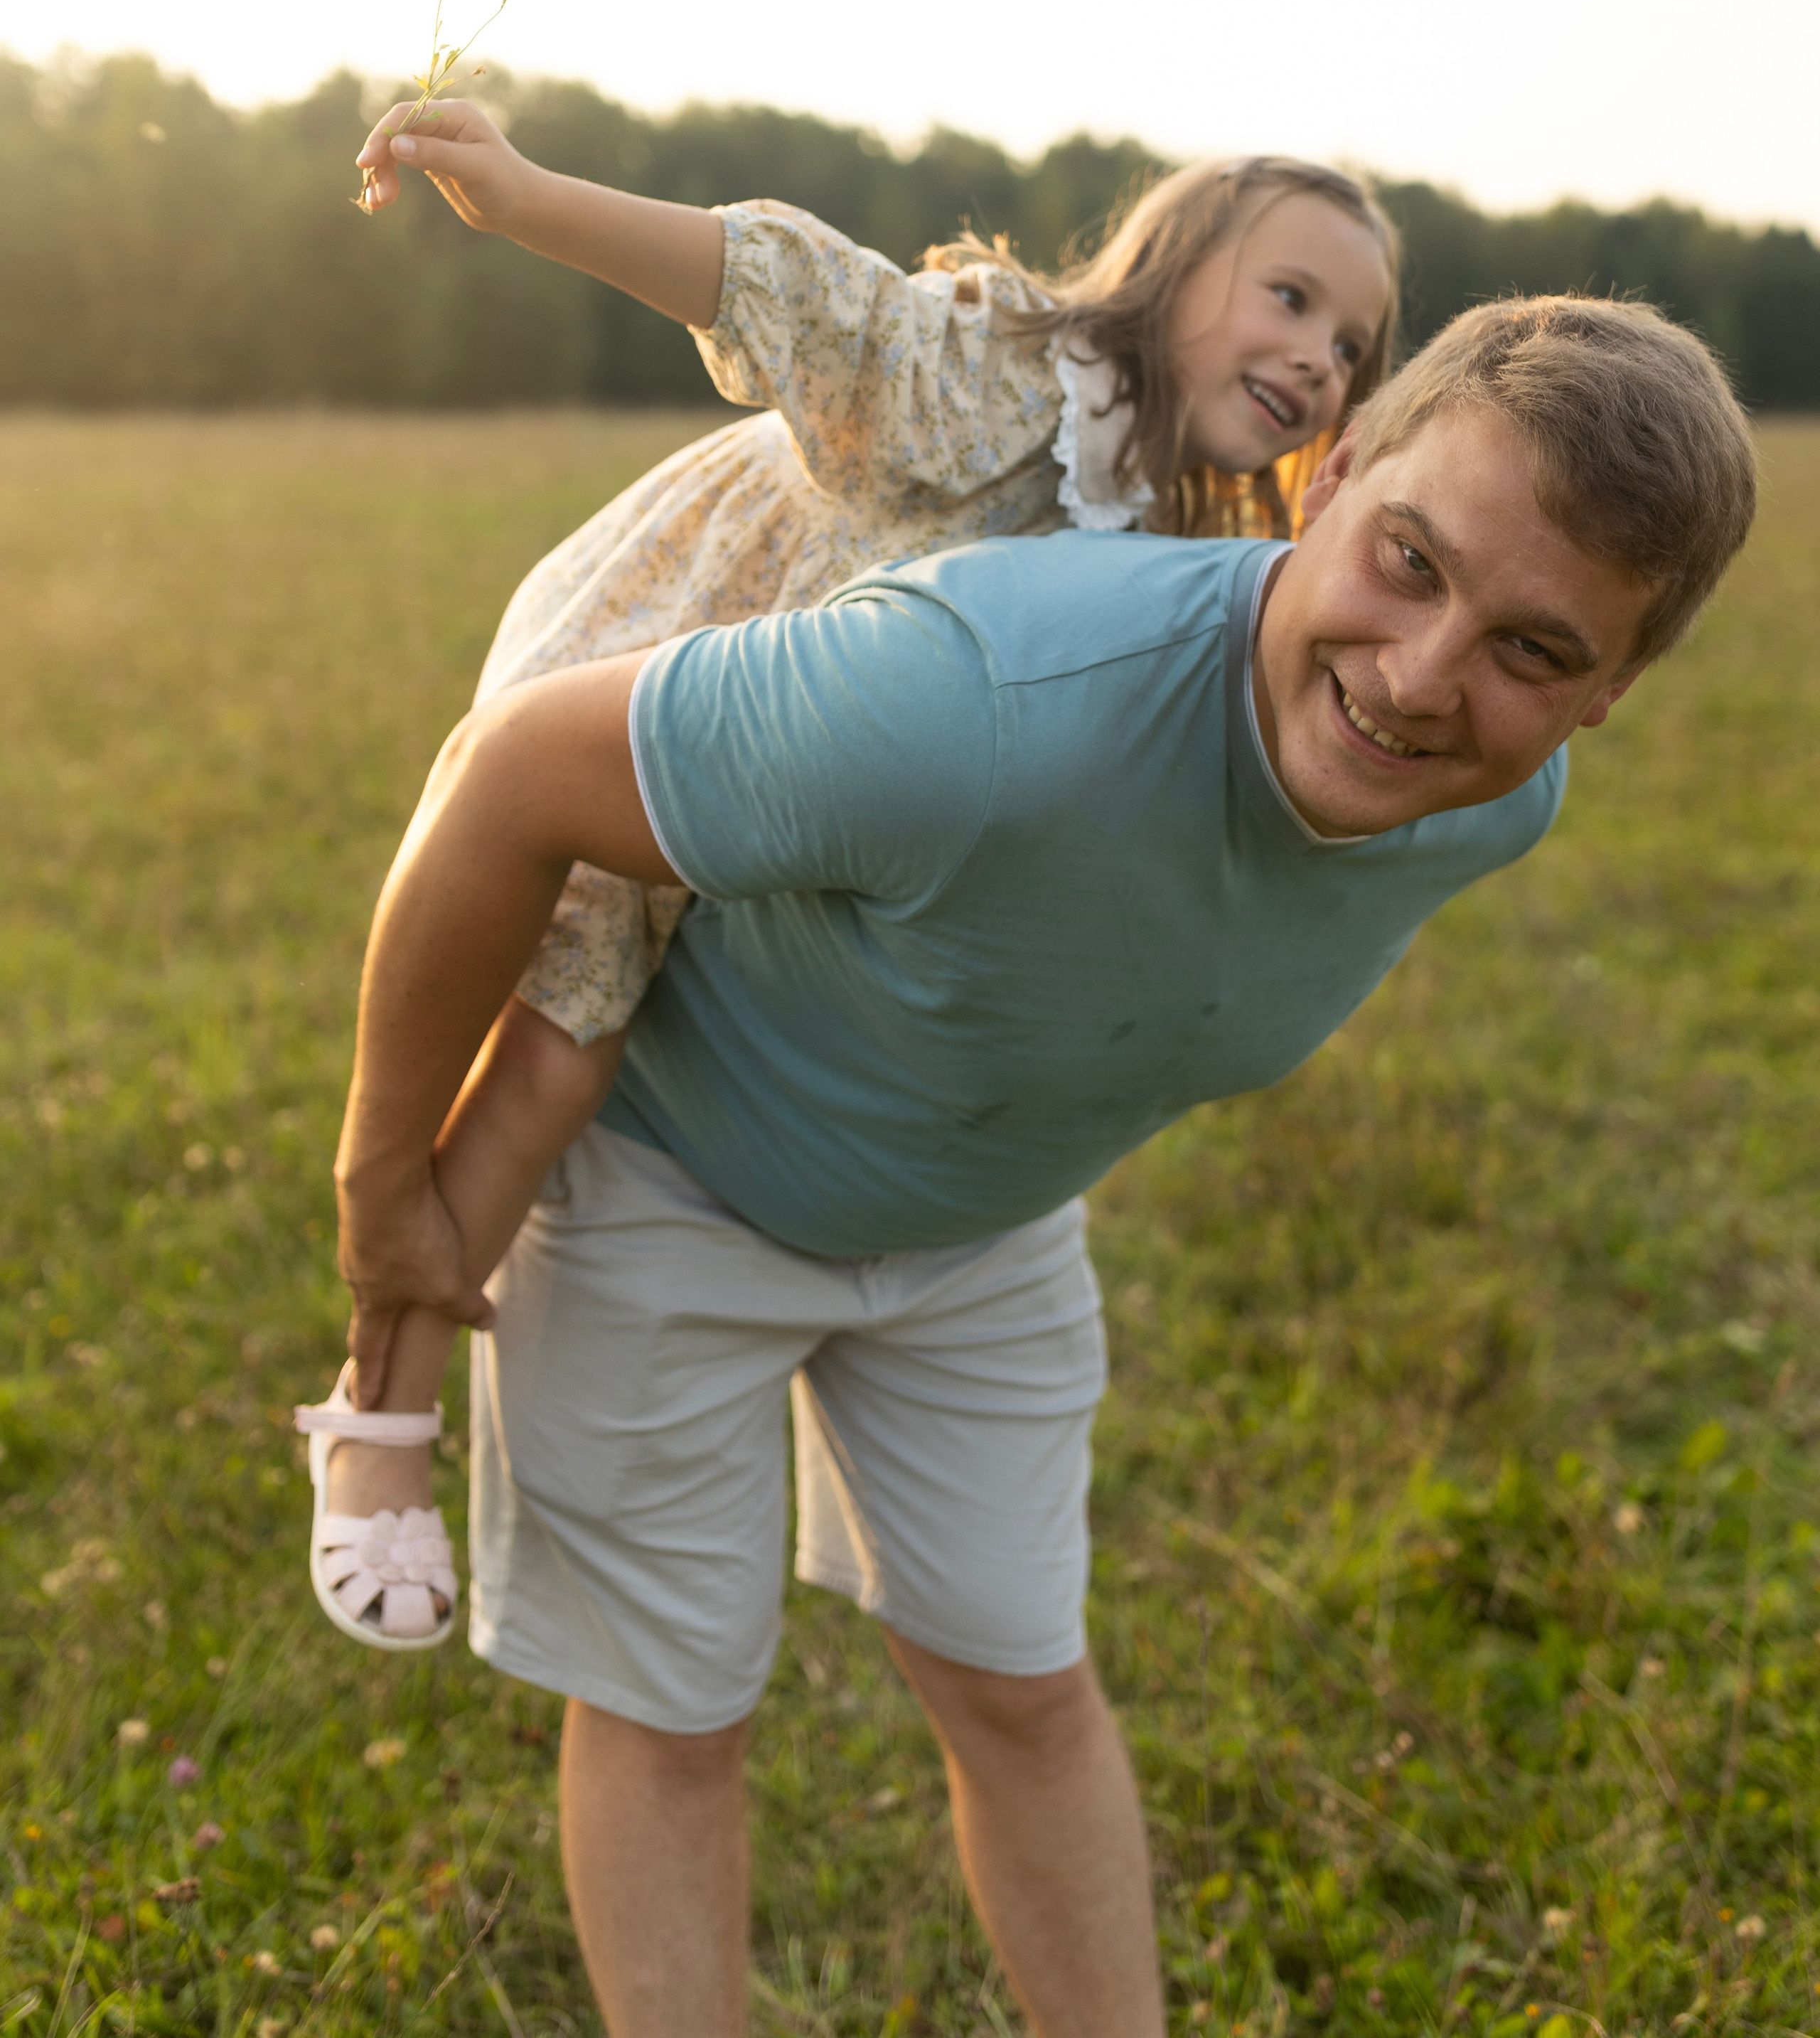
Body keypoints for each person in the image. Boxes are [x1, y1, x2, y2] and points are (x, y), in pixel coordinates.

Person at [322, 287, 1753, 2037]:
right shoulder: (970, 689)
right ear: (1336, 466)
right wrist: (381, 1181)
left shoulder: (1495, 804)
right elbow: (509, 774)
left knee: (1022, 1683)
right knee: (672, 1711)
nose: (1416, 680)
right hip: (666, 1192)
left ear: (1611, 691)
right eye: (1408, 561)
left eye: (1535, 652)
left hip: (982, 1231)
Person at [295, 104, 1400, 1648]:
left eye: (1351, 344)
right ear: (1172, 264)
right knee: (553, 1063)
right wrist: (527, 195)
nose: (1316, 356)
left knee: (625, 1047)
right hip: (653, 682)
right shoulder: (1005, 369)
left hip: (802, 789)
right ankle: (376, 1426)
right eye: (1290, 297)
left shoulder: (1156, 529)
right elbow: (778, 287)